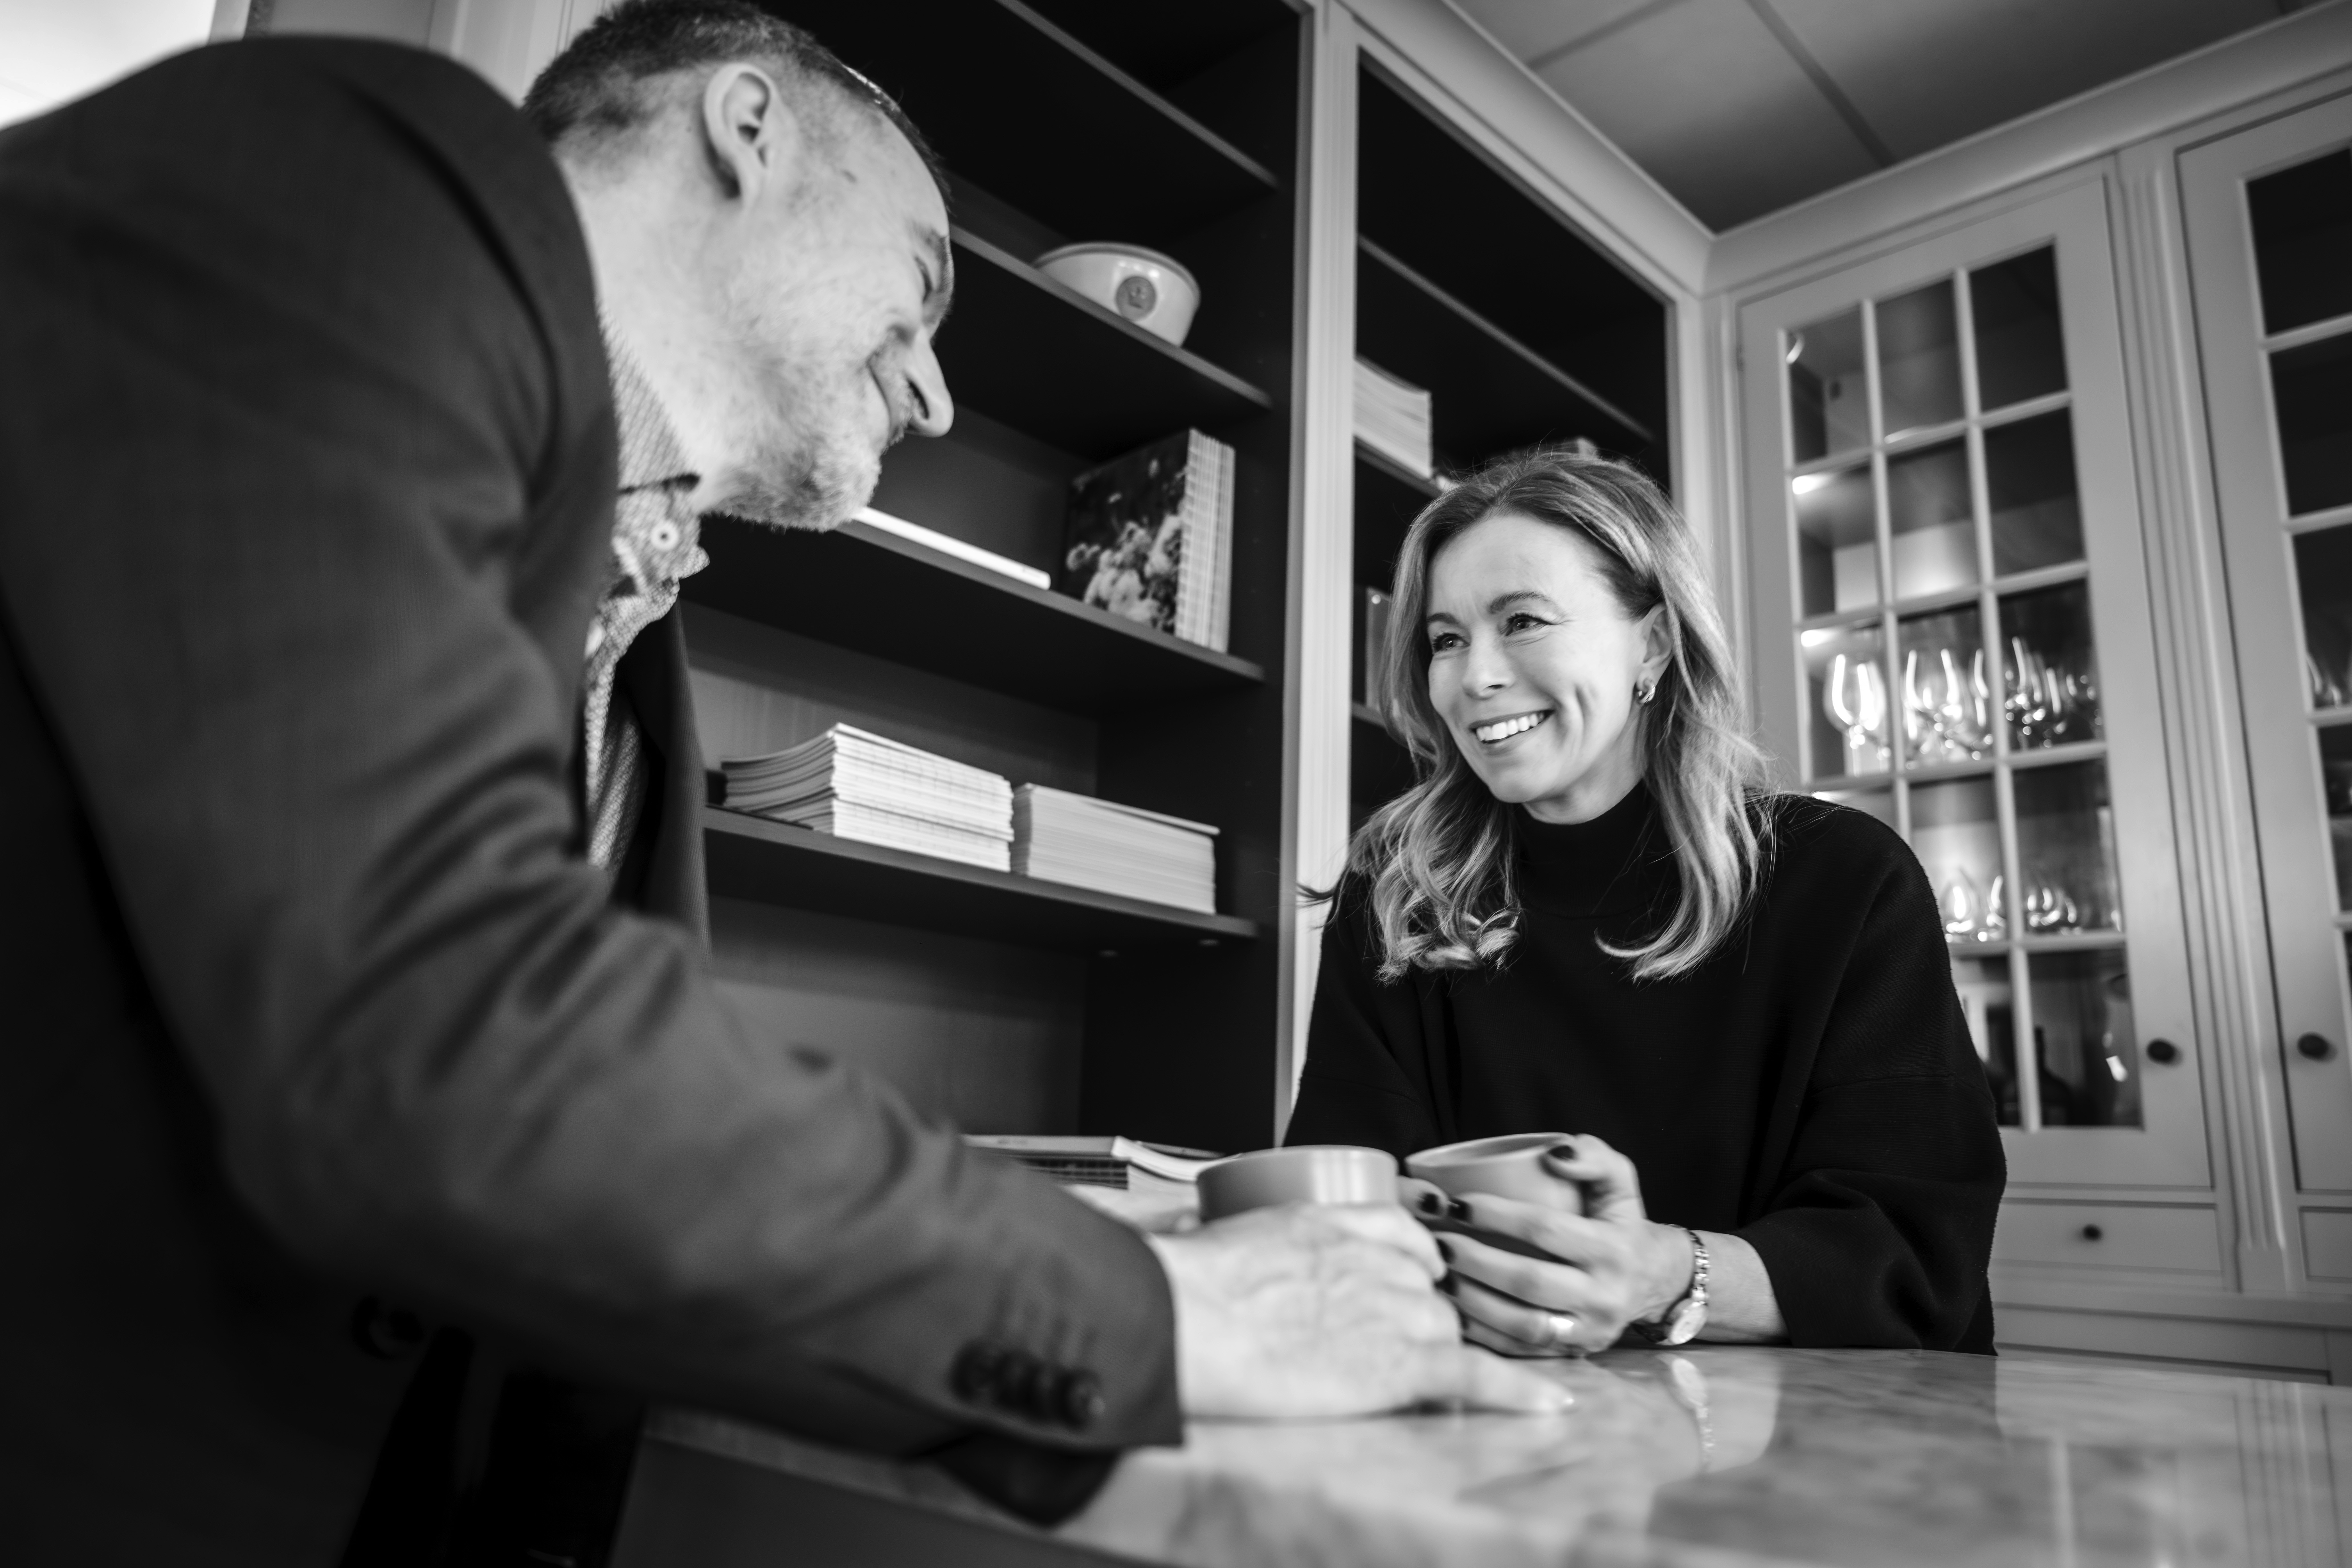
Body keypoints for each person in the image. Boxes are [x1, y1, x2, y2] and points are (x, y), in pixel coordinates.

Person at [0, 8, 1562, 1565]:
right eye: (924, 286)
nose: (936, 396)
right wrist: (1155, 1309)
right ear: (747, 127)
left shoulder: (630, 620)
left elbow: (570, 1131)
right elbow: (444, 1027)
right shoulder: (348, 176)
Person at [1287, 448, 2005, 1357]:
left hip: (1811, 1425)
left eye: (1523, 621)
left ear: (1654, 645)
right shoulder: (1397, 897)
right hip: (1498, 1415)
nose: (1475, 678)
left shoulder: (1845, 880)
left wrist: (1667, 1275)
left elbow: (1916, 1256)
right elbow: (1347, 1210)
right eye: (1446, 639)